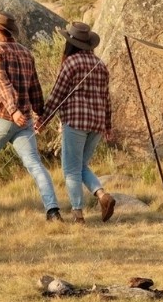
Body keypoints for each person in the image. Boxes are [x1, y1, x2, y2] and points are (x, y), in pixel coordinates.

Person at [0, 11, 63, 220]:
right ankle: (53, 210)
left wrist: (13, 109)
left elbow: (1, 83)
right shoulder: (26, 53)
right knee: (35, 164)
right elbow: (35, 87)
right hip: (23, 121)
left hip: (1, 117)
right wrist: (40, 114)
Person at [39, 22, 115, 224]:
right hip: (97, 124)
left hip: (76, 122)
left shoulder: (70, 63)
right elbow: (106, 99)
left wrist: (43, 119)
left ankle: (78, 214)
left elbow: (57, 95)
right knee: (80, 165)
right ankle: (102, 195)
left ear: (70, 44)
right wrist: (108, 126)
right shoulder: (101, 65)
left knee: (71, 169)